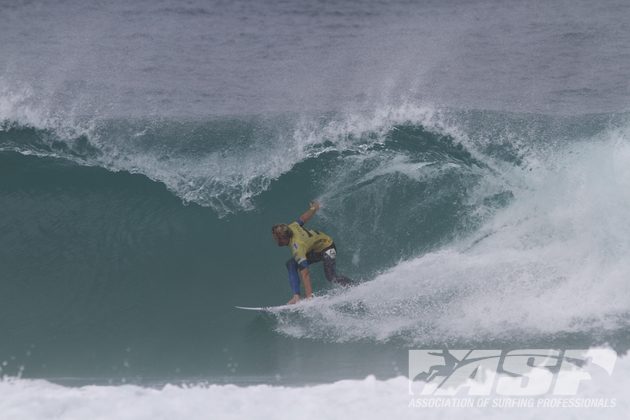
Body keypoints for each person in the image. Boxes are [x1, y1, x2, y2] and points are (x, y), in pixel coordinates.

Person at [271, 201, 352, 304]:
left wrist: (310, 298)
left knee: (331, 276)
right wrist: (314, 208)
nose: (275, 240)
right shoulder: (292, 226)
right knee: (291, 264)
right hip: (316, 250)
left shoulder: (297, 248)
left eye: (276, 238)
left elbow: (305, 274)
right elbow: (303, 218)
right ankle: (296, 296)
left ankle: (354, 286)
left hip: (328, 247)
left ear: (283, 237)